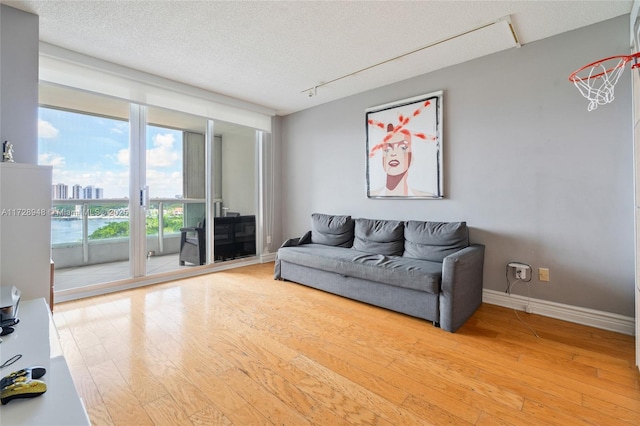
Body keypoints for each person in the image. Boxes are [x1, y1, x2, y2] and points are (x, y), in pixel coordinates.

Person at [368, 100, 435, 196]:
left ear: (412, 157)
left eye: (403, 147)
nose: (393, 153)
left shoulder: (425, 196)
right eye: (387, 149)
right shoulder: (372, 194)